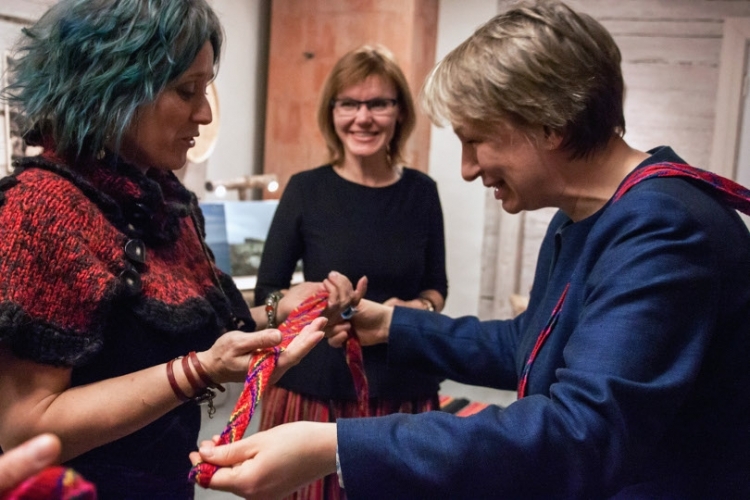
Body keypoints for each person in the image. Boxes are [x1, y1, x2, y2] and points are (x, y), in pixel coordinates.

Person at [191, 1, 750, 498]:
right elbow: (524, 346)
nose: (467, 167)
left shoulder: (664, 230)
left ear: (550, 121)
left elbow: (582, 433)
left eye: (476, 138)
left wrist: (333, 445)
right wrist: (389, 324)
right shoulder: (586, 216)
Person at [0, 0, 362, 498]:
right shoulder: (41, 211)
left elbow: (177, 333)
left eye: (205, 87)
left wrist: (280, 309)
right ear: (111, 91)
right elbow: (26, 427)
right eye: (186, 90)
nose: (206, 112)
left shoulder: (159, 200)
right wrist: (198, 372)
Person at [252, 45, 448, 498]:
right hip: (313, 393)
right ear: (333, 112)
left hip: (402, 389)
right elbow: (266, 293)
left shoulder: (422, 193)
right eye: (349, 104)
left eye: (379, 103)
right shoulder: (305, 190)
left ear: (399, 113)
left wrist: (413, 309)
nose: (364, 117)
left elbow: (437, 287)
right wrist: (290, 301)